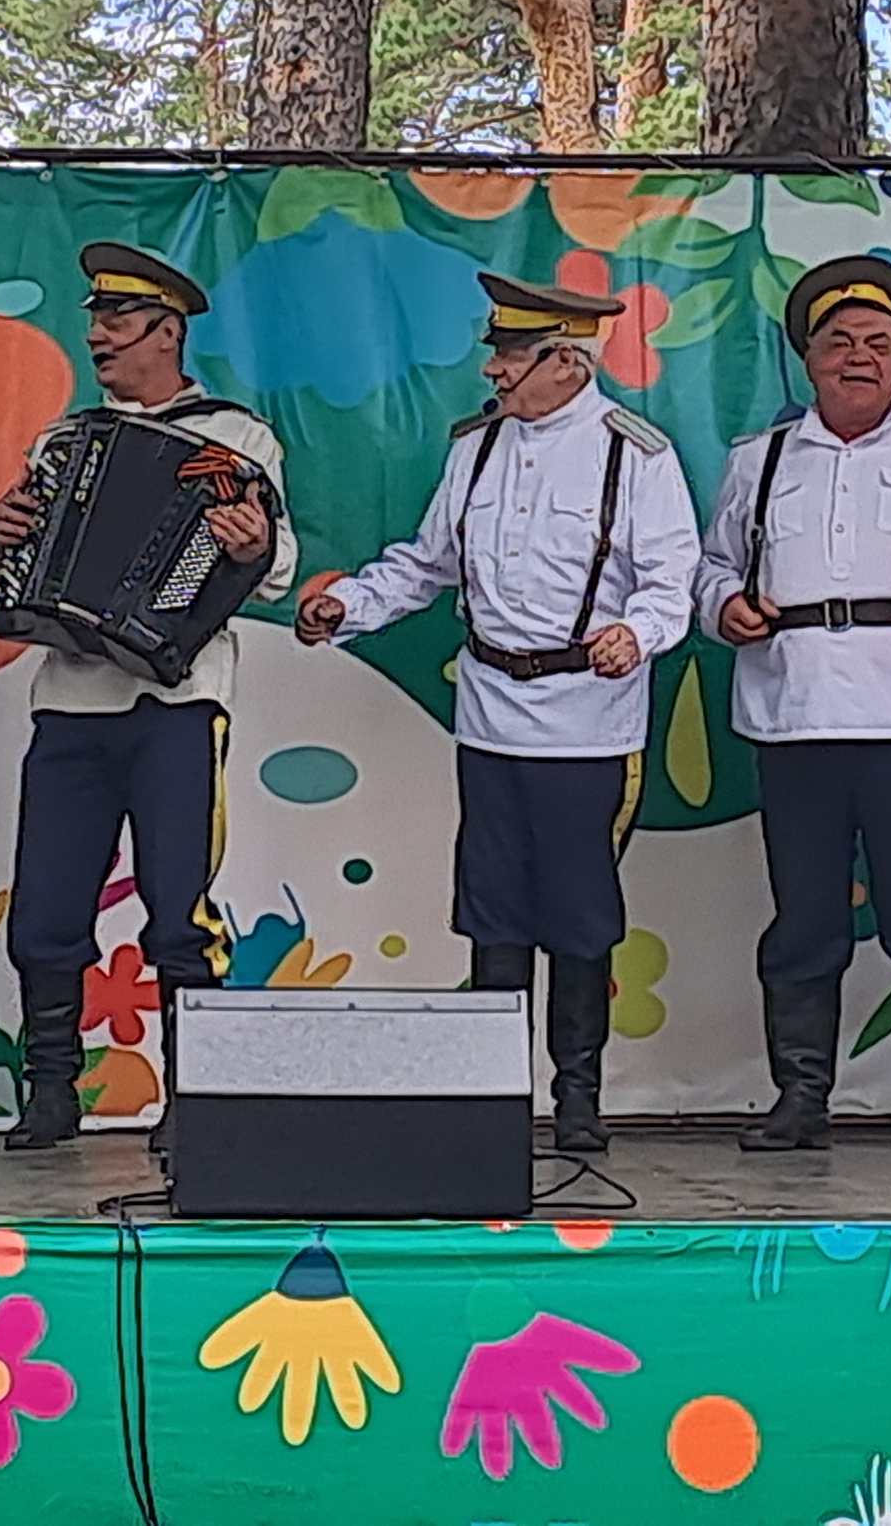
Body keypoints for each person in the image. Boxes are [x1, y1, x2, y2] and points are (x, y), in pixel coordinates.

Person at [295, 273, 697, 1155]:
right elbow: (426, 563)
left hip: (588, 723)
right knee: (492, 911)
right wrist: (348, 605)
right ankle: (495, 1095)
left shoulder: (635, 456)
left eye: (512, 355)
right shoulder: (476, 448)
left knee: (580, 917)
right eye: (497, 352)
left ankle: (579, 1097)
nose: (494, 370)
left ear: (568, 361)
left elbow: (674, 582)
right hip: (488, 716)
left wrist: (635, 633)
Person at [0, 243, 292, 1151]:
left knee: (180, 906)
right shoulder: (66, 441)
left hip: (178, 706)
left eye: (115, 322)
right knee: (46, 906)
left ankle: (191, 1098)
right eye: (95, 322)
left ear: (166, 333)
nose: (98, 338)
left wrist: (248, 545)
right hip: (70, 704)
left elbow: (275, 569)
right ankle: (51, 1090)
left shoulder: (241, 440)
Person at [697, 255, 891, 1157]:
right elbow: (712, 570)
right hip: (794, 718)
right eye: (838, 342)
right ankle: (800, 1098)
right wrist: (724, 609)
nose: (858, 357)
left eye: (879, 343)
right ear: (809, 361)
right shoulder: (759, 462)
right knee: (804, 918)